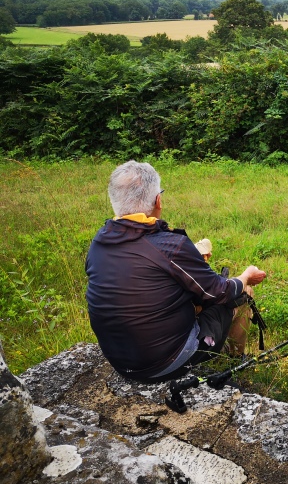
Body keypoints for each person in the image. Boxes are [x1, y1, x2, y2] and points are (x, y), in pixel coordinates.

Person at [85, 160, 266, 383]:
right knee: (241, 293)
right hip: (164, 364)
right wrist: (246, 275)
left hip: (121, 362)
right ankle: (237, 360)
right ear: (158, 200)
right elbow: (219, 291)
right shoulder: (170, 245)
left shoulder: (98, 243)